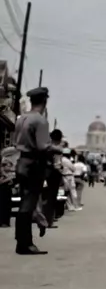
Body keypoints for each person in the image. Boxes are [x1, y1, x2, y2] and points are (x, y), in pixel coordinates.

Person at [12, 87, 57, 255]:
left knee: (25, 201)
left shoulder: (21, 118)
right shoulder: (40, 121)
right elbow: (42, 146)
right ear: (45, 101)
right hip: (34, 164)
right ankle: (25, 243)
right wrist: (57, 149)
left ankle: (21, 240)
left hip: (21, 161)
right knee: (28, 204)